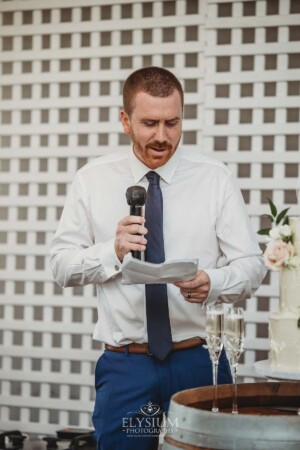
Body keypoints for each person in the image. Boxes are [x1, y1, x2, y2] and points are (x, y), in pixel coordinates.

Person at [50, 67, 266, 450]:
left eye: (172, 122)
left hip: (199, 362)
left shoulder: (215, 178)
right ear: (125, 120)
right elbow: (61, 266)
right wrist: (112, 250)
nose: (162, 136)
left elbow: (251, 264)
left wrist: (212, 282)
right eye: (149, 123)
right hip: (126, 367)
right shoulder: (92, 179)